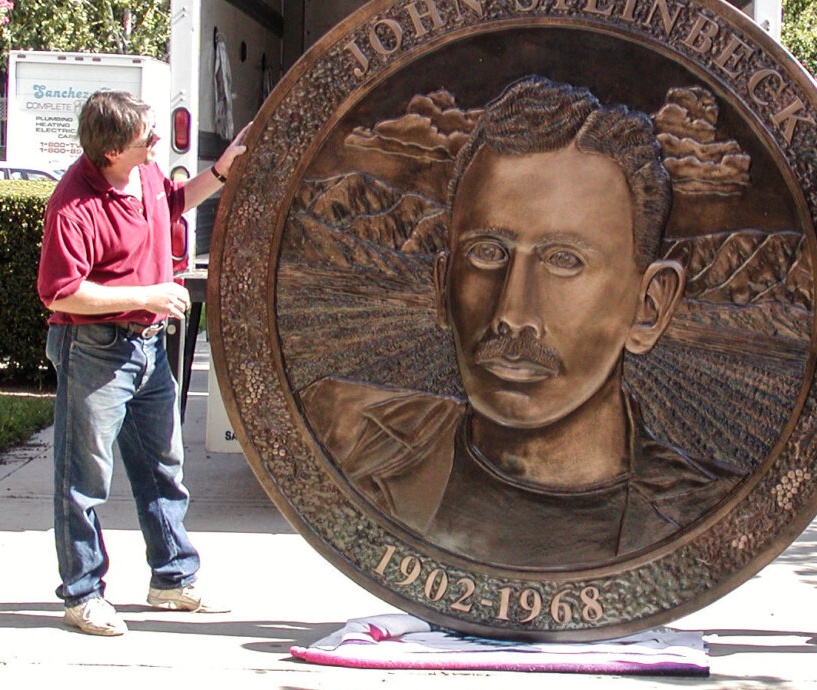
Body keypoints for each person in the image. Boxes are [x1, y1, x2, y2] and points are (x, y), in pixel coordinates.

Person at [300, 77, 742, 566]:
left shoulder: (717, 515)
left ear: (650, 306)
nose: (512, 314)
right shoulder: (338, 431)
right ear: (444, 286)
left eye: (564, 260)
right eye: (487, 253)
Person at [37, 90, 250, 636]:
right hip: (94, 351)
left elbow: (176, 200)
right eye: (147, 137)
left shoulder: (146, 177)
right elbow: (60, 294)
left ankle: (172, 580)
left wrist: (222, 171)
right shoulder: (74, 204)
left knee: (162, 469)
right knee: (83, 479)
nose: (158, 141)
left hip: (147, 348)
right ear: (110, 151)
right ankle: (82, 594)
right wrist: (147, 295)